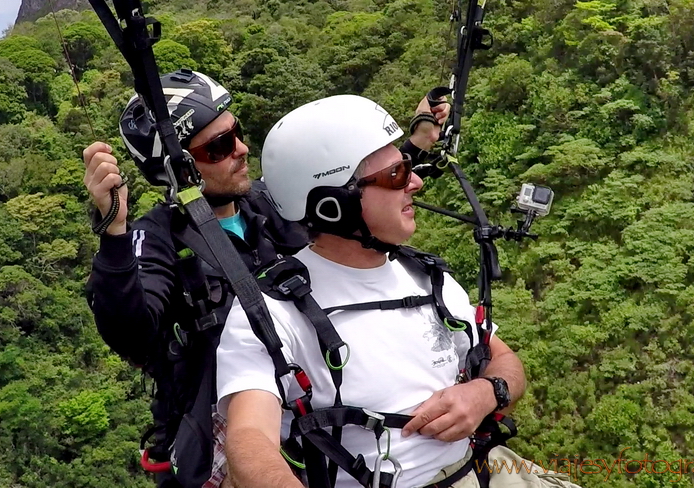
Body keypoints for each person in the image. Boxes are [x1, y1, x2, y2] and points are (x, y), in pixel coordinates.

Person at [82, 70, 448, 488]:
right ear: (179, 167)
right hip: (227, 431)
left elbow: (356, 193)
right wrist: (113, 233)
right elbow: (130, 332)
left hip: (319, 417)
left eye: (235, 131)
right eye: (219, 147)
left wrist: (413, 144)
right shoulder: (158, 238)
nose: (241, 148)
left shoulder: (267, 203)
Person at [216, 95, 578, 488]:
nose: (417, 183)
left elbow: (503, 357)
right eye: (398, 174)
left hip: (485, 467)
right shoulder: (273, 310)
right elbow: (249, 441)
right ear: (332, 206)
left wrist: (488, 391)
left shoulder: (425, 275)